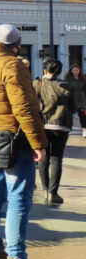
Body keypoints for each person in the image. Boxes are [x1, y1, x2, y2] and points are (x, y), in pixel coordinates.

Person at [0, 24, 53, 259]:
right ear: (15, 45)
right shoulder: (12, 65)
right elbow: (25, 107)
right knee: (19, 197)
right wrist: (38, 142)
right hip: (14, 138)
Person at [34, 59, 75, 205]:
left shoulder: (37, 85)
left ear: (45, 70)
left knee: (43, 157)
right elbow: (74, 108)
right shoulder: (68, 87)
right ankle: (53, 192)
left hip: (42, 125)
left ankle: (45, 189)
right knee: (57, 158)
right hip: (61, 126)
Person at [64, 65, 86, 138]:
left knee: (83, 116)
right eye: (74, 70)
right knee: (69, 116)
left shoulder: (83, 79)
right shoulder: (68, 79)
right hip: (72, 100)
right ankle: (69, 128)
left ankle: (84, 130)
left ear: (79, 71)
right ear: (71, 71)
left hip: (82, 100)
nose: (75, 72)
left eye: (77, 70)